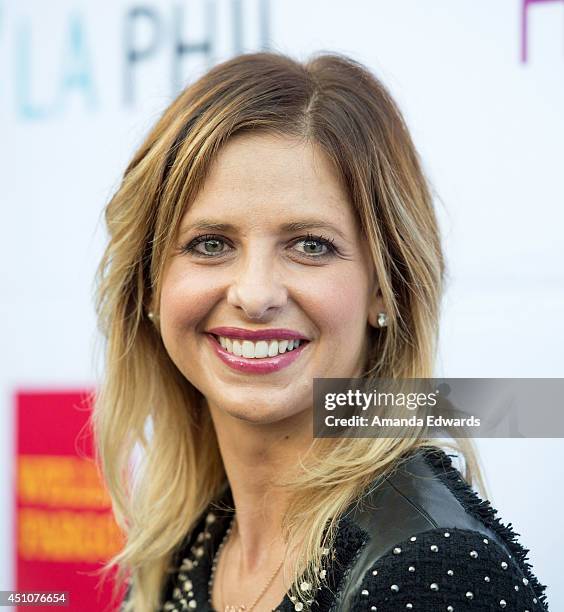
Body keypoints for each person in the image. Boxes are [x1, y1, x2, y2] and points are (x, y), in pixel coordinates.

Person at [93, 52, 549, 611]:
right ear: (149, 287)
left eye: (310, 245)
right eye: (210, 244)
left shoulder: (435, 567)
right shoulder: (192, 540)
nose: (255, 294)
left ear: (385, 290)